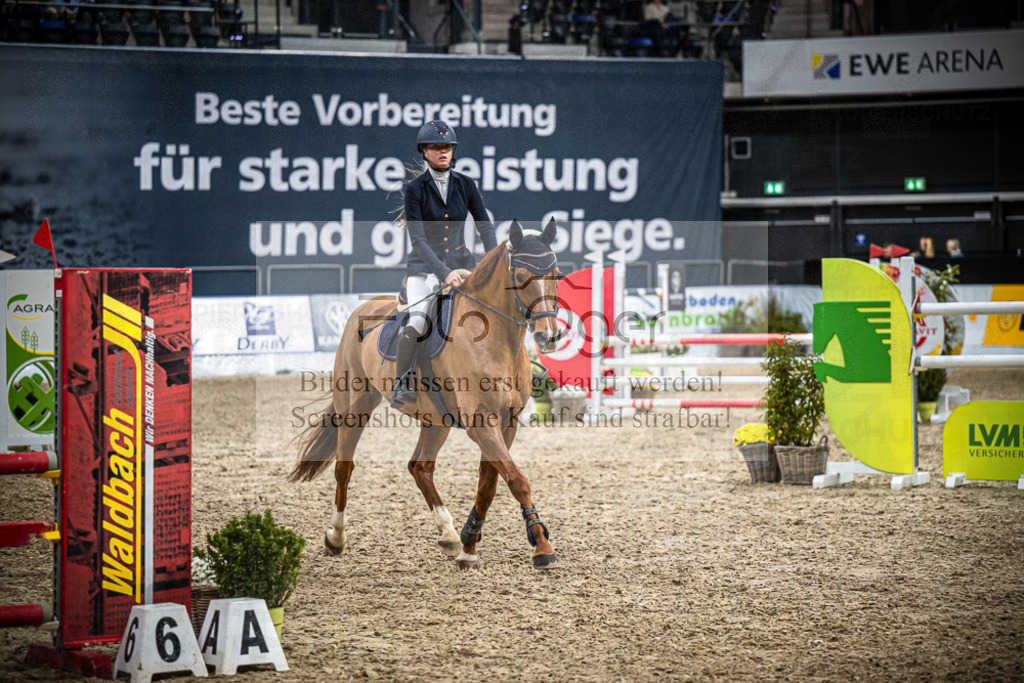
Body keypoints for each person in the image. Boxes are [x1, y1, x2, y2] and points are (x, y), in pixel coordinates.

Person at [391, 120, 498, 408]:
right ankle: (402, 382)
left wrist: (492, 261)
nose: (443, 152)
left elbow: (485, 227)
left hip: (464, 266)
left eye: (447, 147)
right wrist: (444, 273)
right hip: (425, 271)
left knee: (499, 308)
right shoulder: (416, 190)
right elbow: (419, 241)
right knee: (417, 323)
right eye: (436, 147)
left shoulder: (466, 184)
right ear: (425, 152)